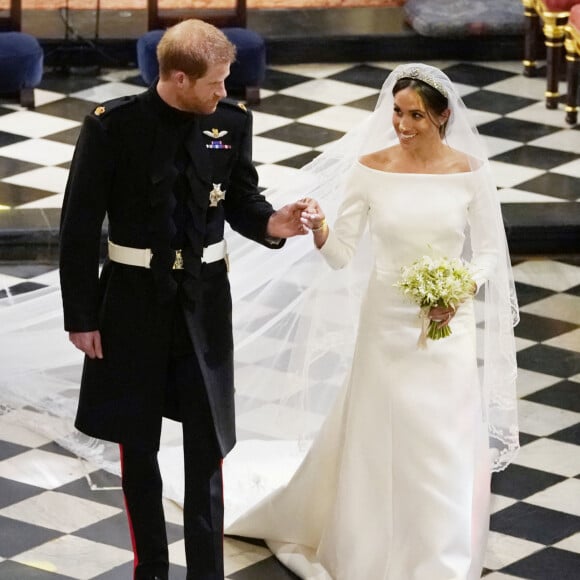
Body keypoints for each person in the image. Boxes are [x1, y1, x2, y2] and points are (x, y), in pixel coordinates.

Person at [223, 63, 520, 579]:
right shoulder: (370, 167)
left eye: (417, 116)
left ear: (444, 116)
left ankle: (439, 558)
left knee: (441, 438)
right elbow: (341, 254)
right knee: (382, 435)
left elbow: (491, 253)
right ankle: (372, 548)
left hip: (447, 318)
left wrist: (460, 289)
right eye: (398, 114)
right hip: (385, 322)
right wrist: (318, 229)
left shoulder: (470, 172)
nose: (403, 125)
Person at [58, 19, 309, 580]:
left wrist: (274, 221)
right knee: (137, 443)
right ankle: (151, 569)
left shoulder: (230, 122)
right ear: (177, 77)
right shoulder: (111, 127)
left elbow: (241, 198)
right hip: (130, 304)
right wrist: (80, 316)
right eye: (215, 82)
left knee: (208, 447)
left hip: (203, 305)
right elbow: (78, 227)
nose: (225, 91)